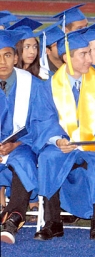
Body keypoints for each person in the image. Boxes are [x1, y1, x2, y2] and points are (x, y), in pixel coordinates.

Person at [32, 30, 95, 242]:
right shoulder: (49, 86)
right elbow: (44, 119)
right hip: (64, 145)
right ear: (66, 58)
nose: (90, 58)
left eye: (90, 52)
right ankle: (53, 222)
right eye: (83, 54)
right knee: (48, 158)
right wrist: (58, 139)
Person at [0, 30, 43, 245]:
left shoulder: (33, 85)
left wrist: (16, 143)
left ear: (15, 58)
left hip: (23, 145)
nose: (2, 62)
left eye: (7, 55)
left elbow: (43, 122)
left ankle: (13, 217)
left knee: (23, 160)